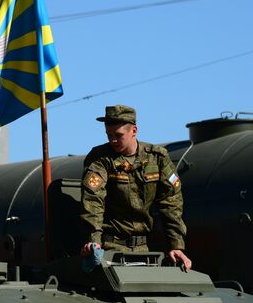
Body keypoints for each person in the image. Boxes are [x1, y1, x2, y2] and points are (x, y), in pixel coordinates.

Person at [80, 105, 192, 272]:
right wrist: (93, 240)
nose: (113, 140)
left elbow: (171, 202)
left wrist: (176, 246)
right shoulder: (100, 159)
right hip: (110, 248)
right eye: (109, 135)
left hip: (144, 249)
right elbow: (93, 199)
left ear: (134, 130)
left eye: (118, 135)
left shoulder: (157, 158)